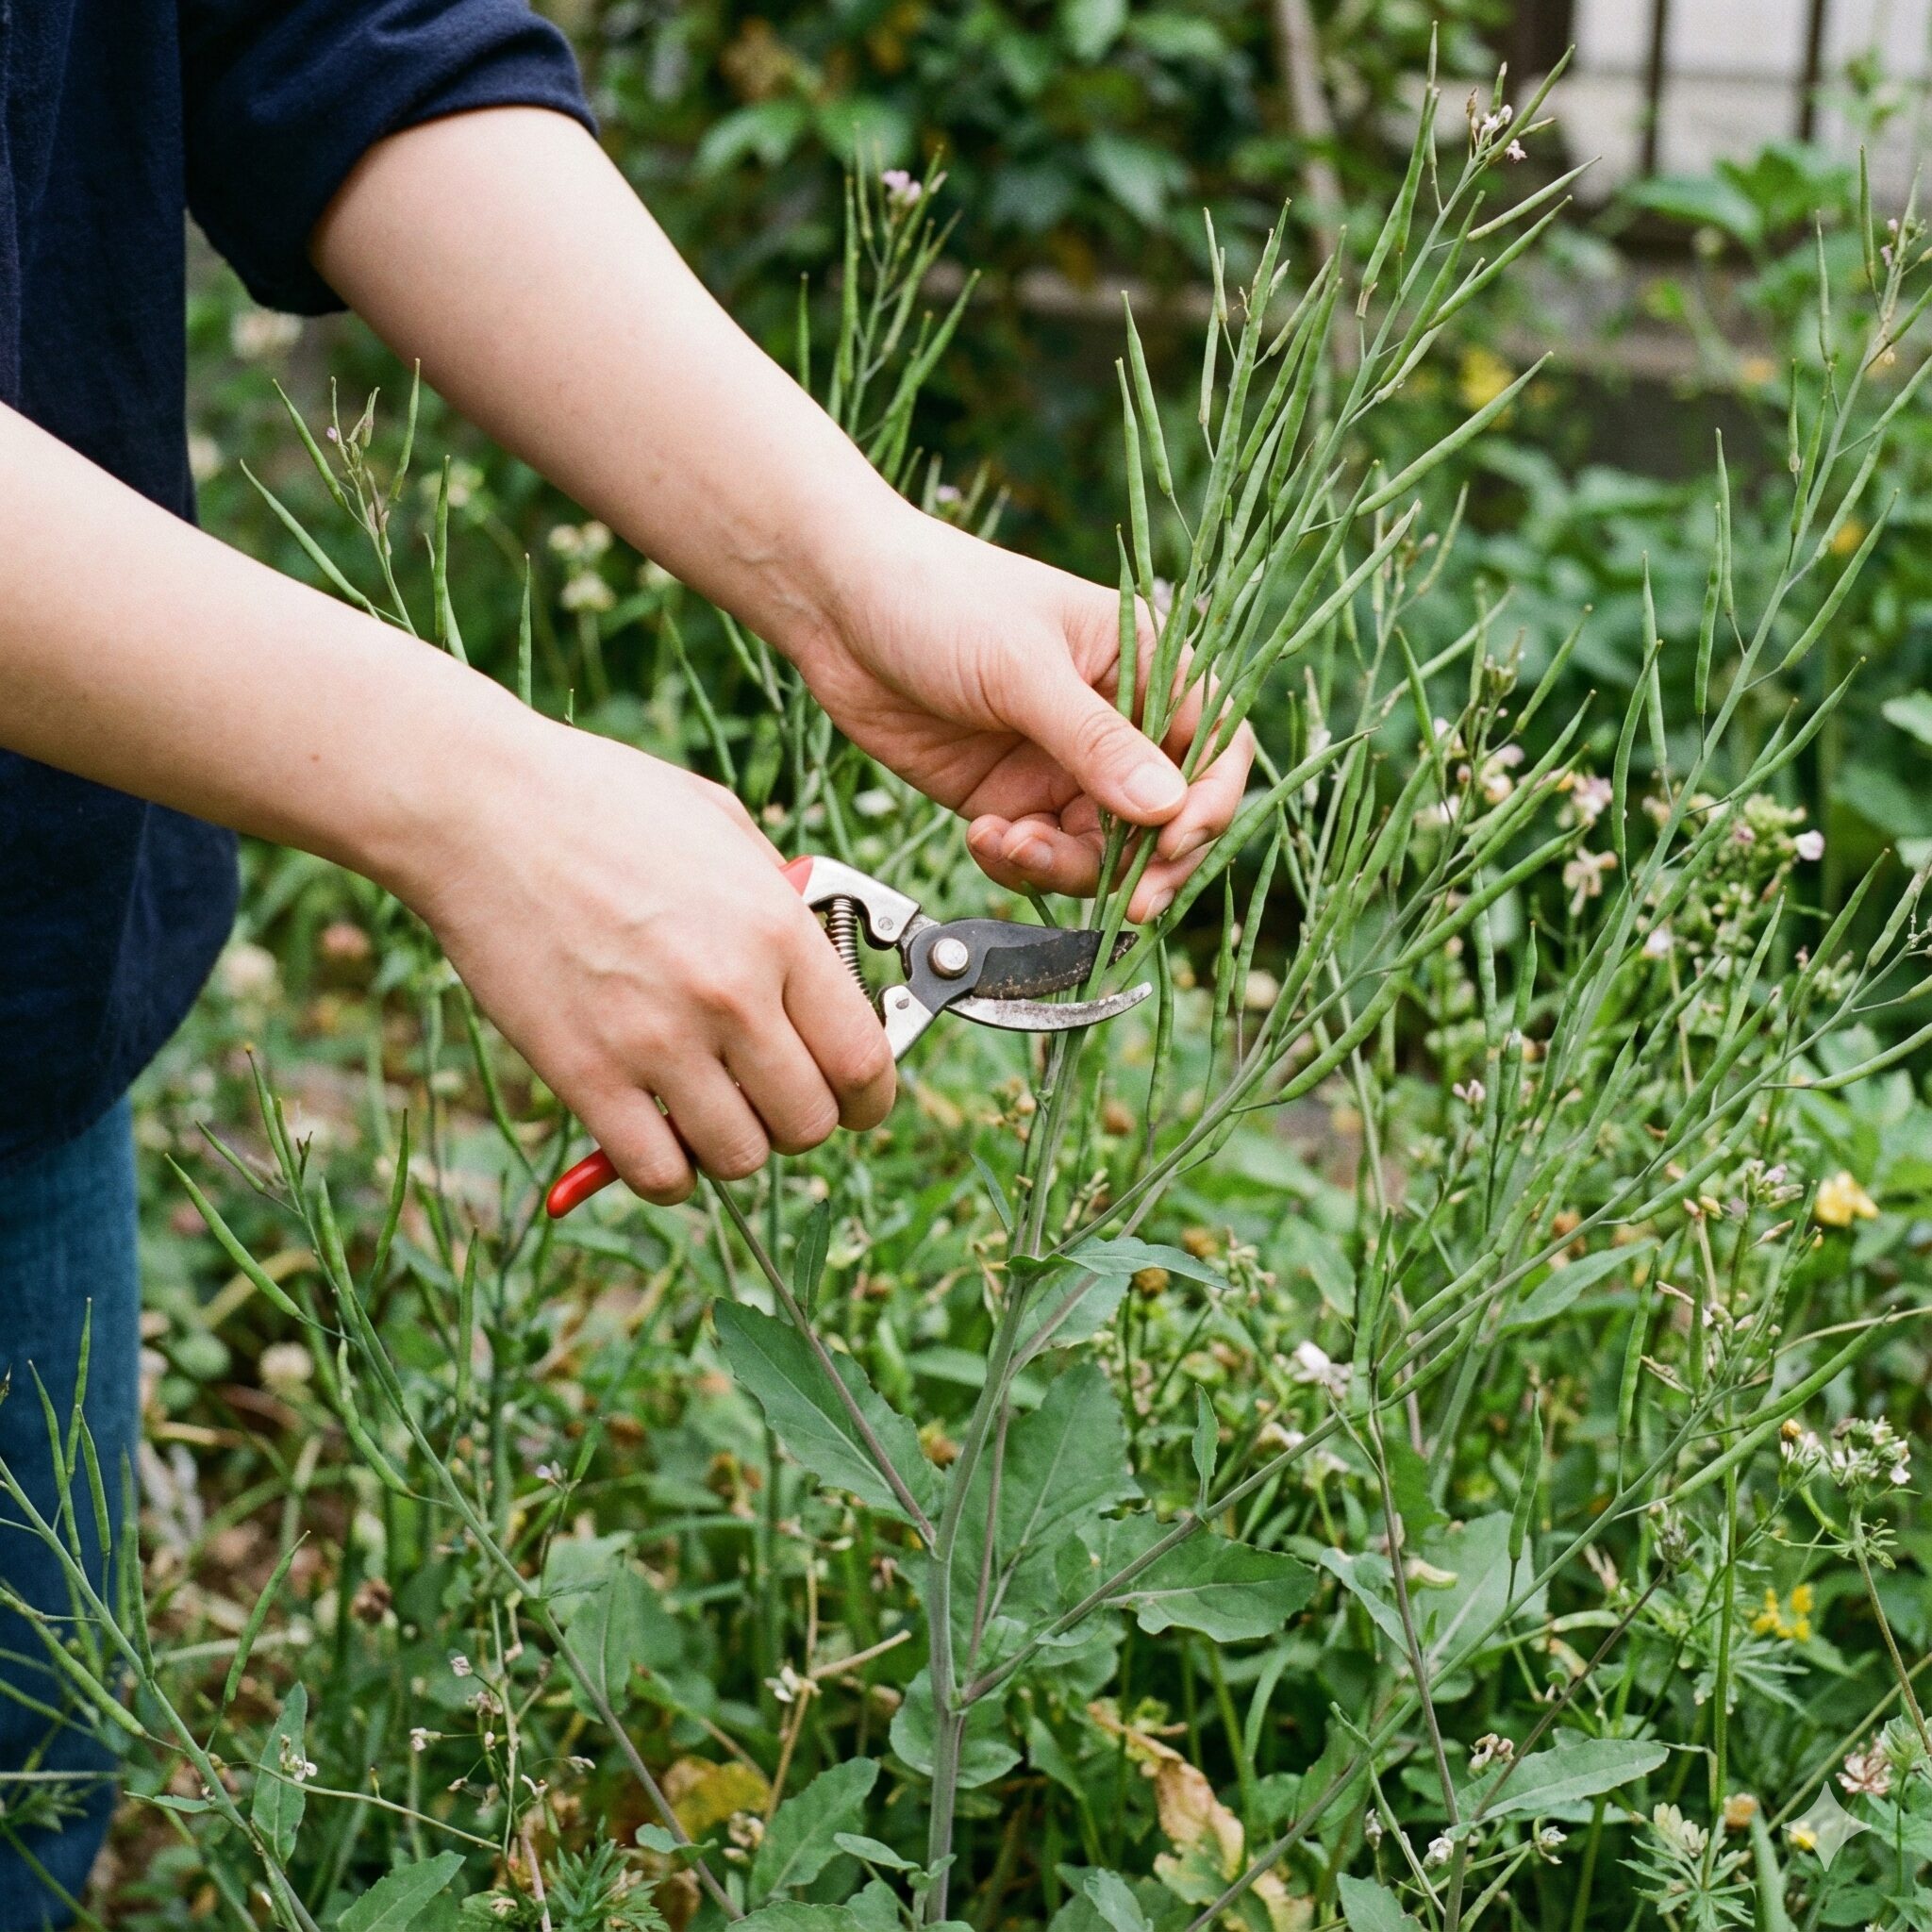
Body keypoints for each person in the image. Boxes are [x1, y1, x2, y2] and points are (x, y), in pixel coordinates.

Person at [0, 3, 1250, 1918]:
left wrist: (850, 559)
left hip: (24, 1022)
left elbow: (318, 40)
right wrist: (472, 791)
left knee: (26, 1812)